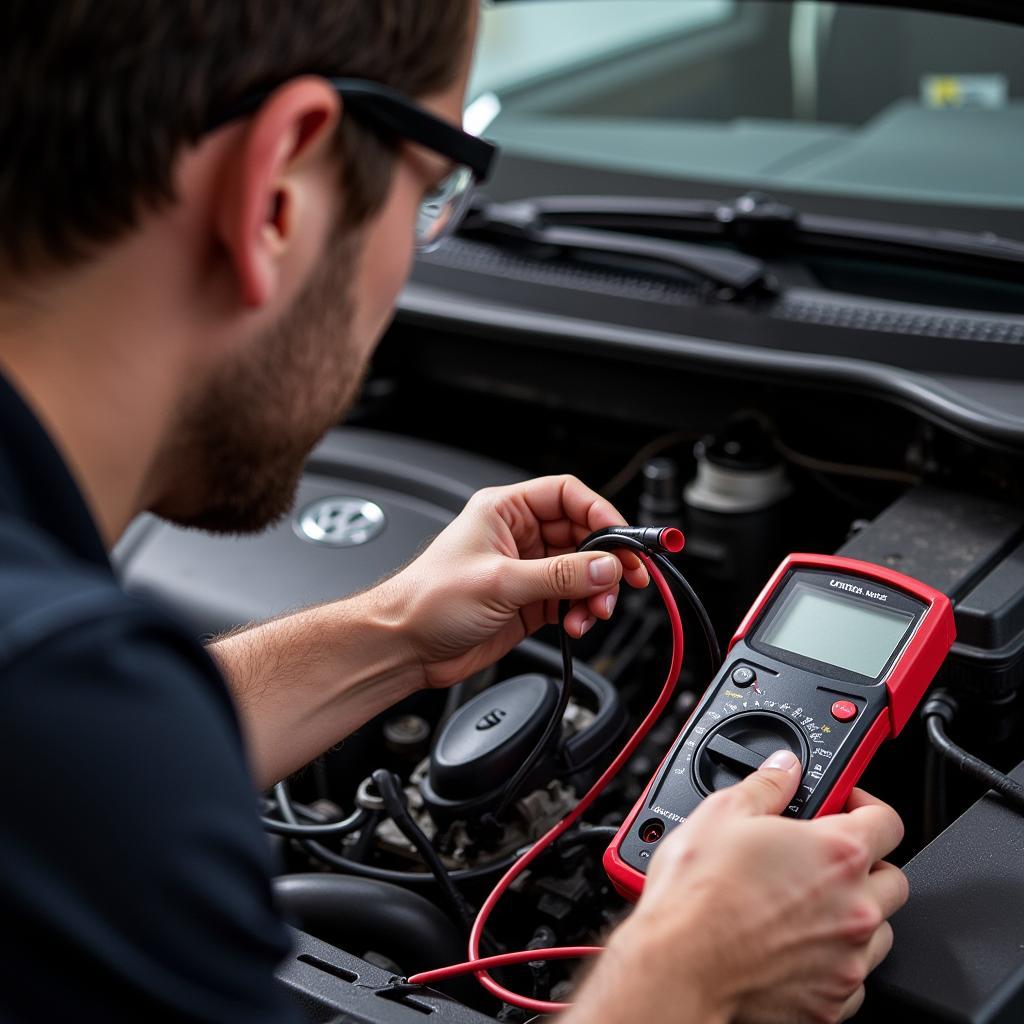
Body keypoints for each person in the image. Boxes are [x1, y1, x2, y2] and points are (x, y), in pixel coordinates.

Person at [0, 2, 907, 1021]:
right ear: (277, 193)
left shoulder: (56, 694)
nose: (417, 253)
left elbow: (82, 754)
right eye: (431, 194)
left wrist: (391, 634)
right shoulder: (57, 697)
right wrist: (690, 976)